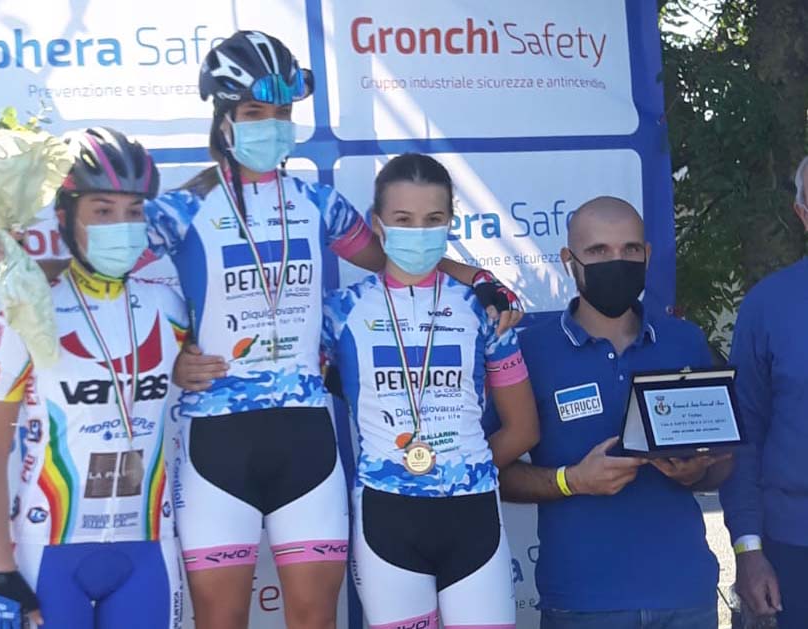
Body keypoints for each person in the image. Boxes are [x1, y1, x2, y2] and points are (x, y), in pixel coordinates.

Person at [0, 30, 519, 629]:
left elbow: (402, 258)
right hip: (216, 442)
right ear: (224, 117)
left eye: (283, 114)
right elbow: (101, 263)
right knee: (221, 619)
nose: (272, 127)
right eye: (256, 112)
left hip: (307, 441)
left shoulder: (319, 203)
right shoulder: (184, 208)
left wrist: (480, 278)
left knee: (314, 618)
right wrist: (18, 268)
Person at [0, 128, 187, 628]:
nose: (122, 226)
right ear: (66, 217)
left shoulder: (170, 307)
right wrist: (1, 571)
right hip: (49, 548)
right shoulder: (29, 311)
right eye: (103, 211)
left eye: (134, 212)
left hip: (147, 543)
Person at [322, 153, 539, 628]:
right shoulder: (340, 313)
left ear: (449, 223)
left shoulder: (485, 310)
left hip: (473, 515)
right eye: (403, 220)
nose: (418, 232)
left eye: (433, 219)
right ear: (378, 225)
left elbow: (523, 429)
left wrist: (464, 465)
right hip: (386, 517)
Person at [498, 196, 732, 629]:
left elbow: (724, 461)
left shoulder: (685, 342)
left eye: (630, 249)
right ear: (569, 260)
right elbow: (491, 473)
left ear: (647, 254)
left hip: (685, 594)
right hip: (582, 601)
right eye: (598, 251)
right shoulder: (528, 352)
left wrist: (696, 473)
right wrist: (571, 480)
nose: (616, 261)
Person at [719, 156, 808, 629]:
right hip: (792, 548)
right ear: (802, 214)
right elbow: (743, 435)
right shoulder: (768, 306)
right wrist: (748, 551)